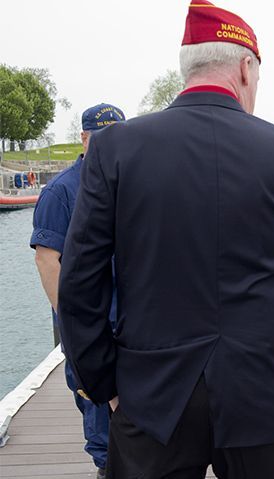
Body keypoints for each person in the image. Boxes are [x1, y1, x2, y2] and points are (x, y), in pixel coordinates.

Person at [56, 1, 274, 477]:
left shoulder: (116, 148)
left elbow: (79, 281)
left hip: (152, 393)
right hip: (261, 394)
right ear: (246, 68)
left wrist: (103, 382)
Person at [30, 102, 126, 479]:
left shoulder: (129, 182)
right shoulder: (61, 193)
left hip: (134, 324)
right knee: (101, 422)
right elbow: (46, 261)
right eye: (102, 139)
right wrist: (73, 325)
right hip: (91, 326)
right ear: (84, 139)